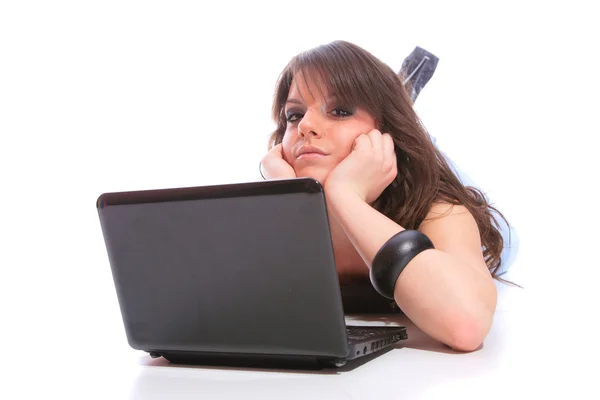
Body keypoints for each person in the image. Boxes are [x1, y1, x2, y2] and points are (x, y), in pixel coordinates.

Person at [259, 40, 517, 352]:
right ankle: (401, 94)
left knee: (428, 152)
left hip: (481, 228)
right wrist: (285, 200)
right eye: (294, 115)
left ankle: (404, 101)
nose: (306, 126)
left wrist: (345, 195)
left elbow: (467, 326)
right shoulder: (267, 208)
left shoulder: (439, 211)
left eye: (340, 110)